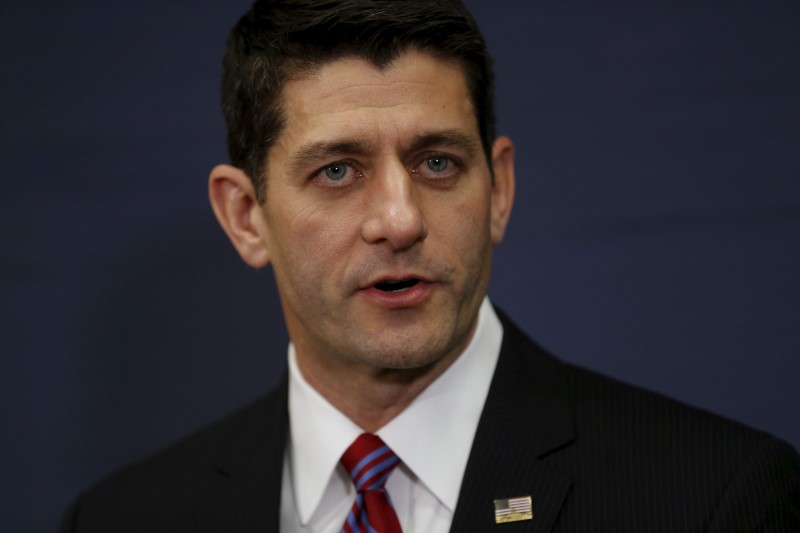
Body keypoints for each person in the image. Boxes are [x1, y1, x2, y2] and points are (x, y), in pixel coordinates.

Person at [61, 0, 799, 531]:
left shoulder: (711, 498)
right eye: (338, 172)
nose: (400, 219)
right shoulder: (123, 517)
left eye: (437, 162)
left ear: (499, 190)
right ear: (246, 216)